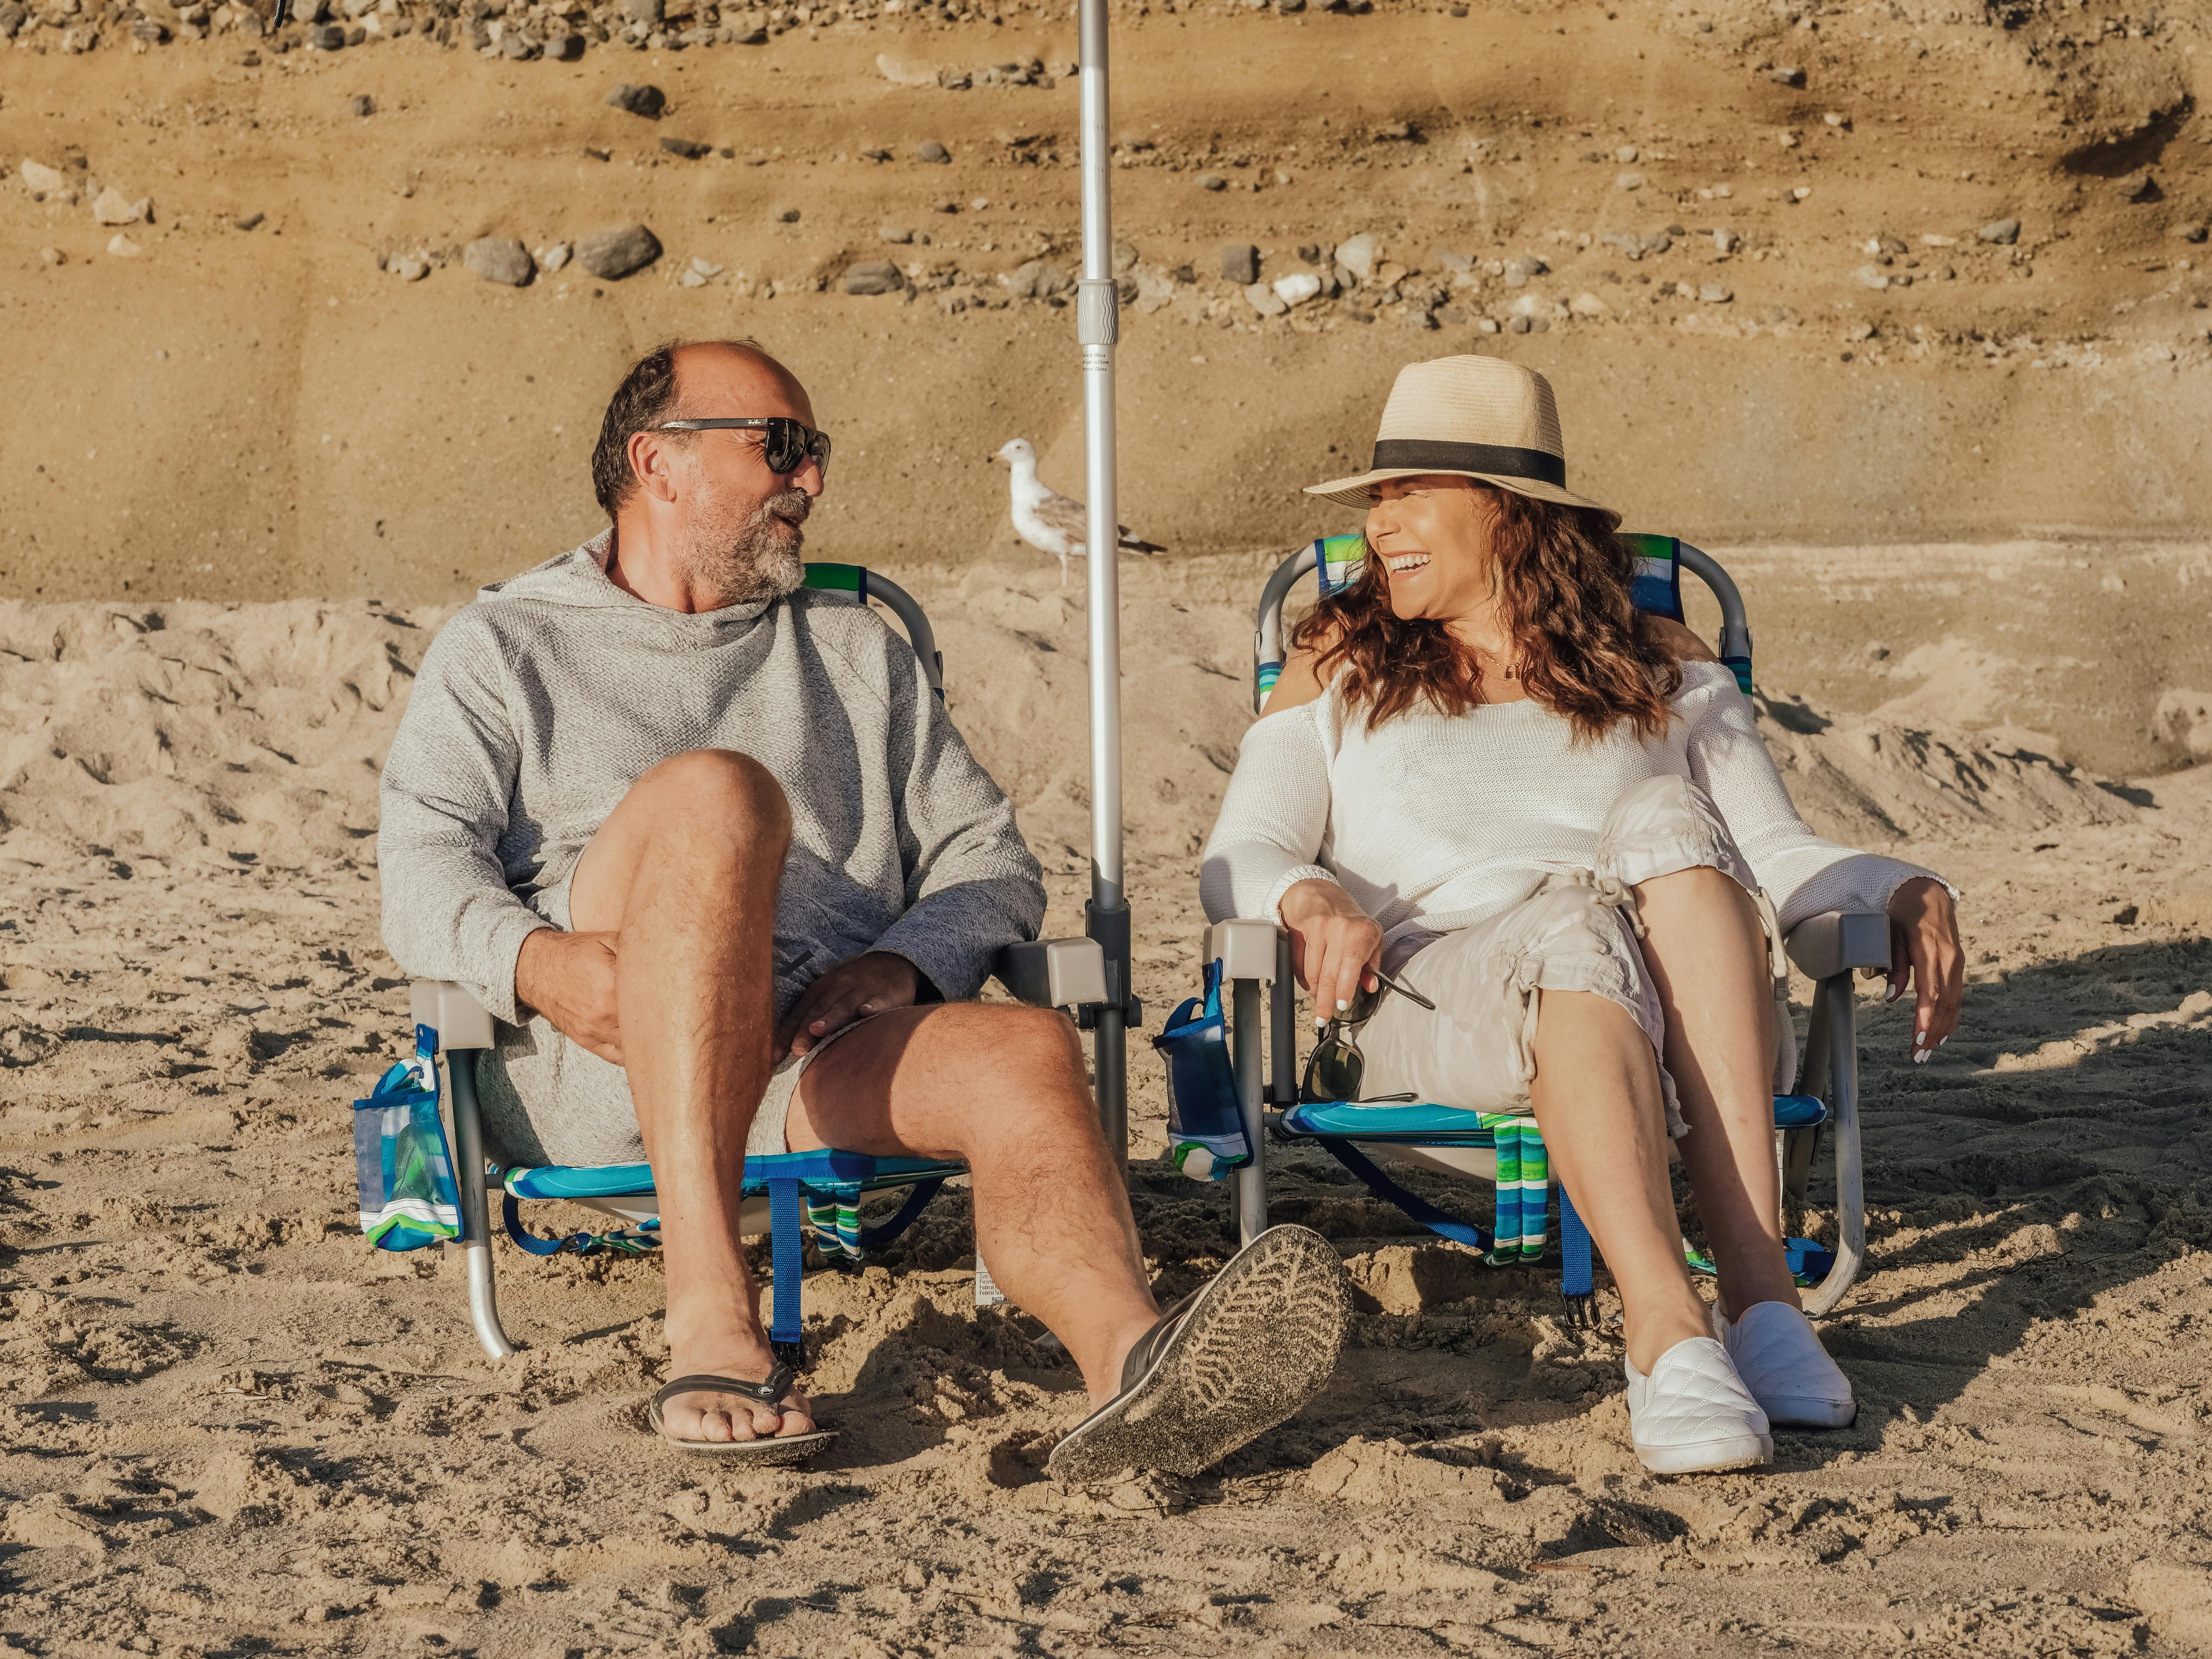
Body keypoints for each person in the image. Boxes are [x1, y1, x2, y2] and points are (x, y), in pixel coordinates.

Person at [378, 338, 1350, 1470]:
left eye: (816, 452)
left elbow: (987, 859)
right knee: (718, 795)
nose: (814, 482)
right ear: (660, 462)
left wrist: (901, 969)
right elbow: (421, 869)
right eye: (782, 448)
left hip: (807, 1056)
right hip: (603, 1062)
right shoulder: (506, 645)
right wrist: (540, 963)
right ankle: (708, 1310)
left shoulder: (854, 650)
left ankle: (1135, 1369)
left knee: (1027, 1051)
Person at [1201, 354, 1963, 1476]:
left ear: (1507, 515)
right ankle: (1664, 1324)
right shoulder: (1340, 658)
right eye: (1375, 501)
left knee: (1664, 814)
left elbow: (1774, 853)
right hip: (1426, 1008)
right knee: (1575, 922)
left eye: (1411, 495)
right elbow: (1238, 855)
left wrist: (1896, 886)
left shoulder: (1658, 663)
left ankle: (1759, 1306)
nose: (1382, 526)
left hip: (1662, 1013)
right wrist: (1307, 895)